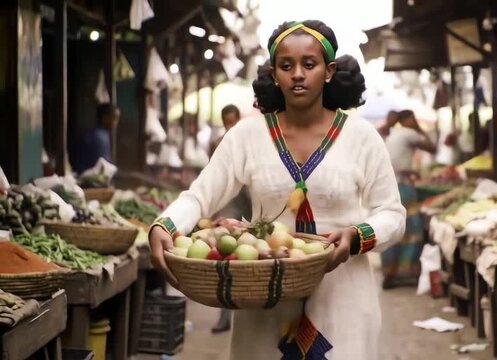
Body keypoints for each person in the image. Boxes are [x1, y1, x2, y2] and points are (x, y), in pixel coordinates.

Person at [148, 20, 405, 359]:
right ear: (273, 73)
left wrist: (358, 236)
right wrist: (164, 225)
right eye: (286, 66)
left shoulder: (362, 137)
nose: (297, 74)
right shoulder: (246, 136)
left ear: (328, 71)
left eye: (309, 64)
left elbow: (392, 214)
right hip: (262, 295)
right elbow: (199, 196)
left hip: (344, 298)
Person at [381, 109, 436, 289]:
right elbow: (432, 147)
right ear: (409, 119)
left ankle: (390, 272)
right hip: (402, 187)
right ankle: (407, 272)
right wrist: (419, 128)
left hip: (388, 186)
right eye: (414, 118)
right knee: (413, 230)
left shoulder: (394, 134)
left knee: (391, 228)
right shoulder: (408, 133)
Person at [209, 104, 251, 333]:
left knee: (245, 260)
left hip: (247, 207)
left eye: (232, 121)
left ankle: (239, 313)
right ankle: (225, 317)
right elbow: (213, 179)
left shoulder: (247, 143)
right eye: (226, 121)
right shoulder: (218, 145)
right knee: (226, 260)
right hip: (228, 208)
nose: (229, 126)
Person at [72, 103, 119, 174]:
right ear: (105, 117)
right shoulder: (98, 137)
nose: (116, 122)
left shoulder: (100, 134)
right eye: (115, 118)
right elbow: (104, 169)